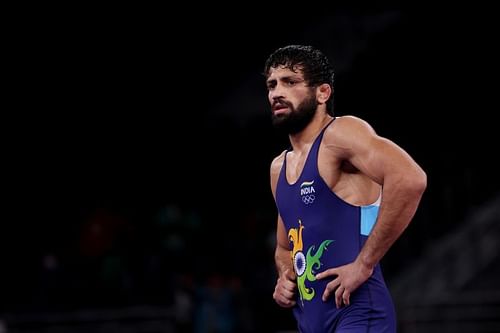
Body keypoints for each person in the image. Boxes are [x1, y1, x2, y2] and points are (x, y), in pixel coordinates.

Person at [265, 45, 427, 332]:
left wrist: (364, 264)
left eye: (290, 82)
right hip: (309, 320)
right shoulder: (279, 168)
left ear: (323, 93)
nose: (277, 92)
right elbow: (284, 247)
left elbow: (410, 179)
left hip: (356, 310)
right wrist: (285, 276)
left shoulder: (340, 134)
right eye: (272, 84)